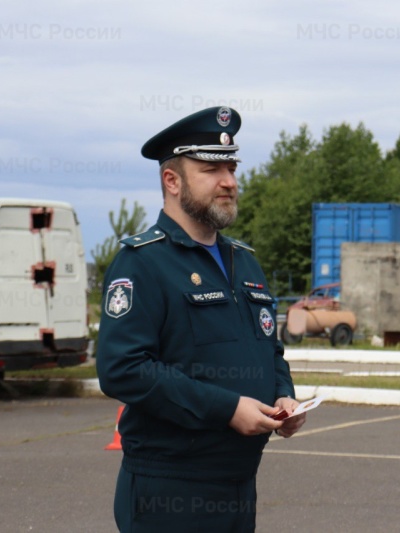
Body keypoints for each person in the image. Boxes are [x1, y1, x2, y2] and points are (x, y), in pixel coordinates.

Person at [97, 106, 306, 532]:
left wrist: (284, 396)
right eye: (211, 168)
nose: (229, 180)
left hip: (238, 485)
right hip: (170, 490)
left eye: (231, 166)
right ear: (171, 181)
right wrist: (227, 408)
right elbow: (122, 369)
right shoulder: (143, 262)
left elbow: (271, 349)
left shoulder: (243, 260)